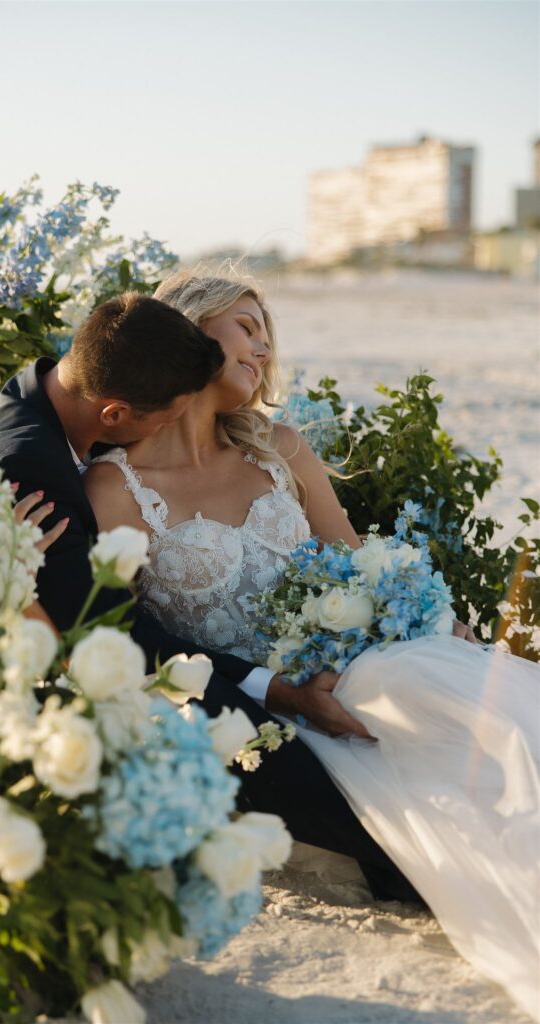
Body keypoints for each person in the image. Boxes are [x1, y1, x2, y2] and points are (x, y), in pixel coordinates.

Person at [79, 269, 540, 1021]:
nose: (262, 349)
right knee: (444, 802)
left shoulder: (279, 450)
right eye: (246, 327)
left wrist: (428, 615)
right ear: (189, 330)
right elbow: (136, 640)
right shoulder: (116, 488)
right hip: (261, 711)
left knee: (479, 717)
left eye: (267, 334)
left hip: (360, 664)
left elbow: (357, 564)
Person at [0, 286, 422, 906]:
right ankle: (398, 857)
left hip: (239, 668)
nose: (263, 346)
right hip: (29, 708)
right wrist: (279, 692)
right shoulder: (35, 474)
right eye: (164, 414)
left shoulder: (35, 408)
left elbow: (354, 562)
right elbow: (107, 640)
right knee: (232, 721)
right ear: (115, 412)